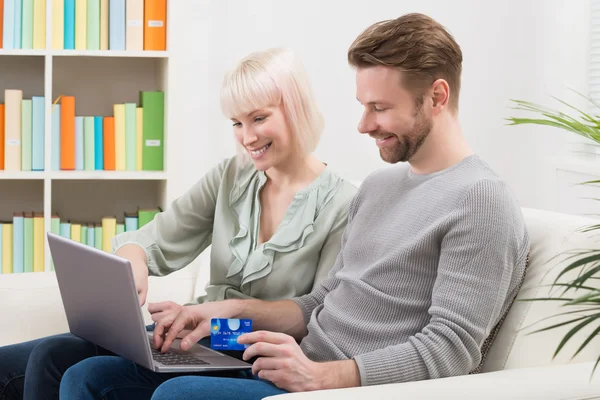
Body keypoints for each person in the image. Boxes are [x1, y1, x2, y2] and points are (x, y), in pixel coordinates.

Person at [59, 12, 531, 400]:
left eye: (380, 108)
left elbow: (451, 350)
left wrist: (324, 376)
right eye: (362, 105)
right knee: (84, 376)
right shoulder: (380, 186)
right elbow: (321, 302)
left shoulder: (480, 200)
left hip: (335, 385)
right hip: (283, 362)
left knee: (175, 395)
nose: (363, 124)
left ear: (437, 96)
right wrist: (216, 315)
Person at [0, 47, 357, 400]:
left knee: (84, 374)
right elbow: (152, 239)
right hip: (201, 335)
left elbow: (316, 316)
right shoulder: (231, 176)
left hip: (253, 352)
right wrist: (133, 262)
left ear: (296, 109)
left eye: (259, 118)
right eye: (237, 123)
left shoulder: (342, 204)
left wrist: (214, 318)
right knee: (34, 358)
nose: (247, 138)